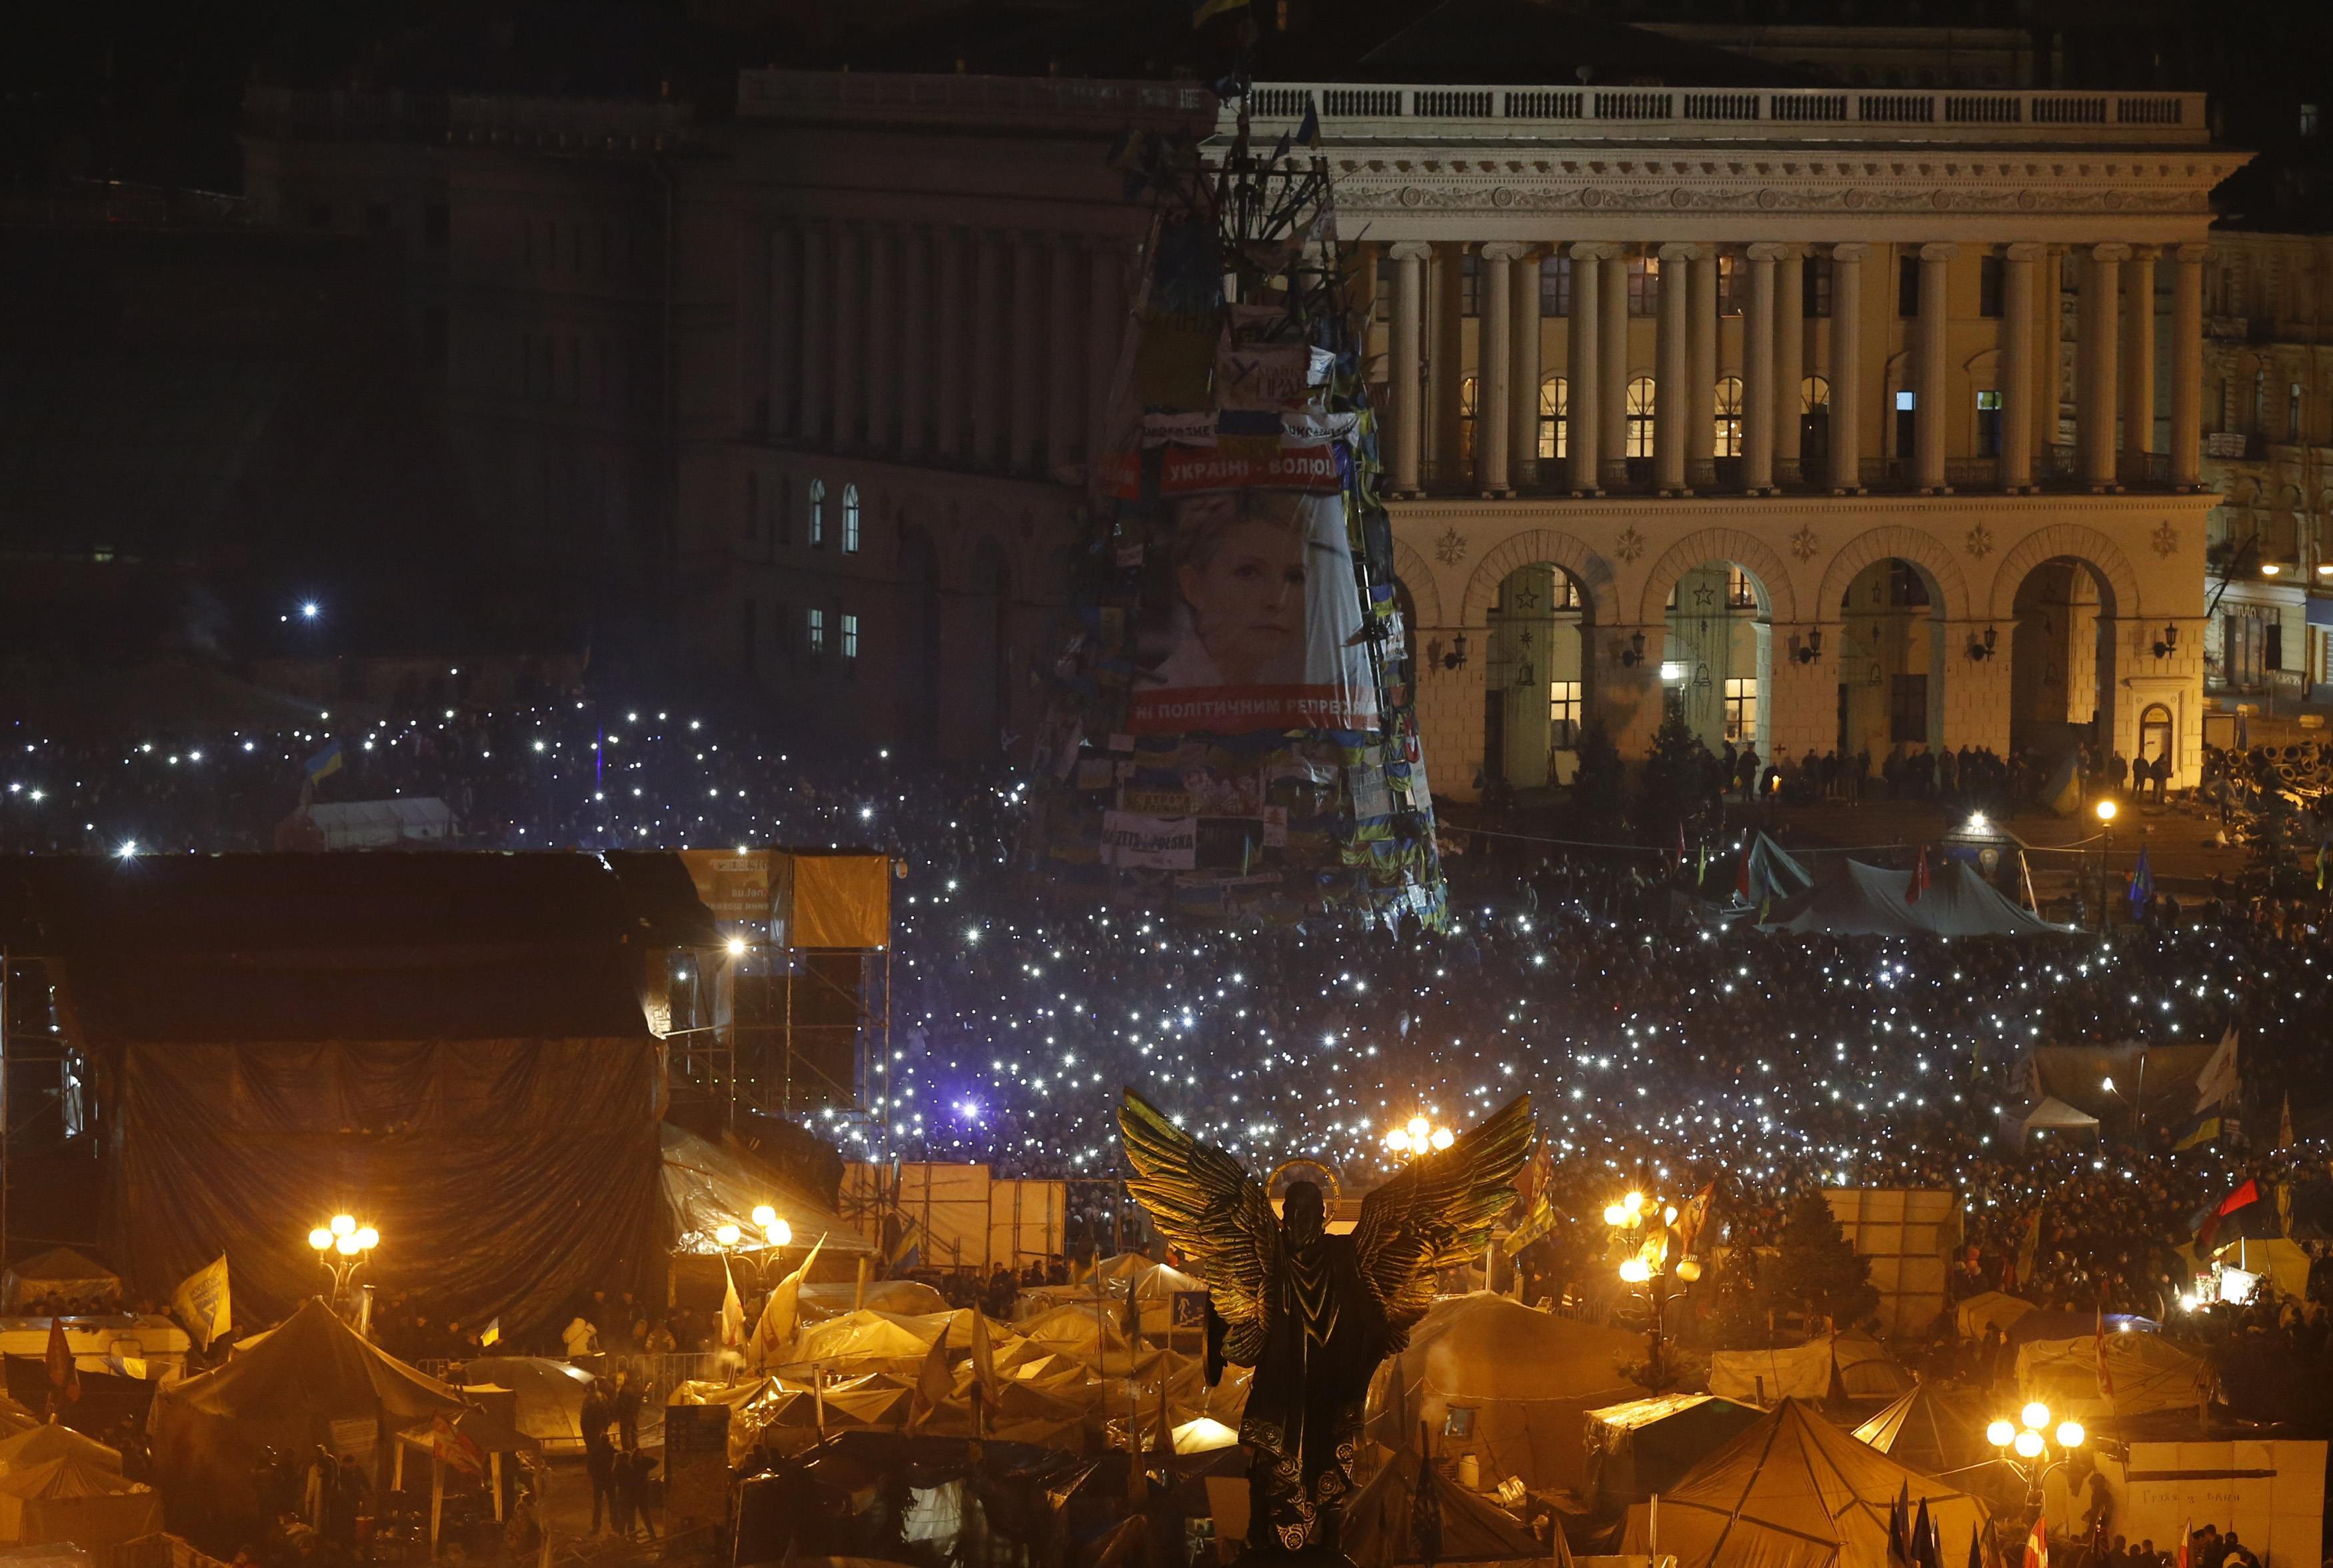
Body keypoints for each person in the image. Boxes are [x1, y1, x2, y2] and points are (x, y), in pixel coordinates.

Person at [1148, 488, 1315, 689]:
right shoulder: (1157, 697)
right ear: (1194, 587)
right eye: (1248, 573)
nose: (1278, 600)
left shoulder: (1300, 686)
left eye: (1295, 577)